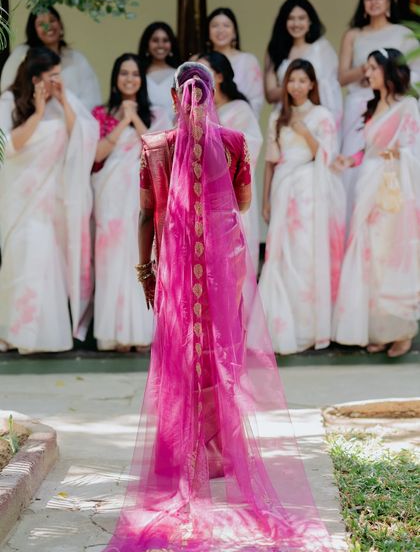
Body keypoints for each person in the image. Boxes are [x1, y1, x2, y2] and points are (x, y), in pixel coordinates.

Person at [103, 62, 332, 552]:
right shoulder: (232, 142)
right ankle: (218, 453)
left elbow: (148, 212)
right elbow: (243, 202)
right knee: (221, 356)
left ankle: (184, 456)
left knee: (180, 356)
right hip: (223, 270)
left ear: (172, 96)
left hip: (177, 270)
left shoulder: (156, 147)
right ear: (212, 95)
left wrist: (145, 271)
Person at [0, 47, 98, 353]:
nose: (57, 79)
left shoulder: (63, 103)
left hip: (51, 200)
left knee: (45, 262)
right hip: (20, 196)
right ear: (35, 77)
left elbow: (81, 136)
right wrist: (39, 112)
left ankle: (45, 336)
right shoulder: (7, 101)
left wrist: (63, 101)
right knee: (21, 260)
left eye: (59, 74)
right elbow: (9, 146)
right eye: (51, 75)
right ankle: (14, 333)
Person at [333, 48, 420, 358]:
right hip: (367, 186)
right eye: (366, 68)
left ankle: (402, 331)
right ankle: (378, 331)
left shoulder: (408, 106)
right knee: (368, 258)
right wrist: (350, 159)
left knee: (391, 258)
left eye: (372, 68)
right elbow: (369, 150)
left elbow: (412, 149)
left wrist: (399, 156)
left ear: (389, 70)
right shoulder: (370, 107)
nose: (366, 73)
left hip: (393, 191)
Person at [259, 59, 345, 355]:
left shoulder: (322, 115)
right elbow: (270, 162)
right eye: (291, 80)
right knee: (281, 255)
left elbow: (328, 155)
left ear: (311, 84)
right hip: (284, 187)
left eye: (301, 80)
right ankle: (283, 325)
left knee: (306, 254)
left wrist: (305, 131)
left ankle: (310, 328)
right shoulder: (277, 116)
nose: (296, 85)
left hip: (310, 190)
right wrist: (266, 199)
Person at [91, 54, 171, 352]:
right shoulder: (100, 113)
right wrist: (121, 120)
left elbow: (159, 149)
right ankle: (114, 335)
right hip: (111, 196)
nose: (129, 78)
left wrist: (135, 118)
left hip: (143, 194)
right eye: (123, 73)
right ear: (115, 77)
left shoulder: (156, 114)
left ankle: (143, 334)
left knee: (144, 256)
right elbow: (97, 154)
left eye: (134, 74)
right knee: (113, 260)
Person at [339, 0, 420, 221]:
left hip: (393, 103)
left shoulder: (403, 33)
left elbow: (416, 71)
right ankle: (356, 225)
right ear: (363, 4)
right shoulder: (354, 34)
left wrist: (390, 80)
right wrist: (368, 68)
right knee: (356, 164)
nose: (373, 2)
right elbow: (342, 76)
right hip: (360, 104)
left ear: (388, 3)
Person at [198, 51, 263, 271]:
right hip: (201, 196)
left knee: (232, 266)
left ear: (220, 76)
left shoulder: (240, 110)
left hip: (231, 197)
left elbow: (250, 147)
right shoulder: (195, 111)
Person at [1, 7, 101, 110]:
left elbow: (91, 96)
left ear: (60, 24)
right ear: (33, 29)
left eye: (52, 20)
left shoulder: (77, 58)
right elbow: (9, 90)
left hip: (73, 119)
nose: (48, 26)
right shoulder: (22, 54)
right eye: (41, 24)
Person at [265, 0, 342, 127]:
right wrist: (299, 86)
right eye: (291, 18)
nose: (296, 23)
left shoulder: (322, 49)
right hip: (285, 118)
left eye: (301, 18)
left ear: (310, 21)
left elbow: (331, 90)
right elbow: (271, 94)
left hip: (316, 120)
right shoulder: (274, 50)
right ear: (284, 21)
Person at [205, 7, 264, 117]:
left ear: (234, 32)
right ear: (208, 32)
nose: (220, 30)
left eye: (226, 25)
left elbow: (256, 100)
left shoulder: (248, 60)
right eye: (215, 26)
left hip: (240, 124)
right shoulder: (198, 61)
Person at [138, 21, 182, 124]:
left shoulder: (180, 75)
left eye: (165, 40)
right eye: (155, 40)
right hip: (144, 131)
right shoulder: (138, 74)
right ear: (147, 44)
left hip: (174, 132)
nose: (160, 45)